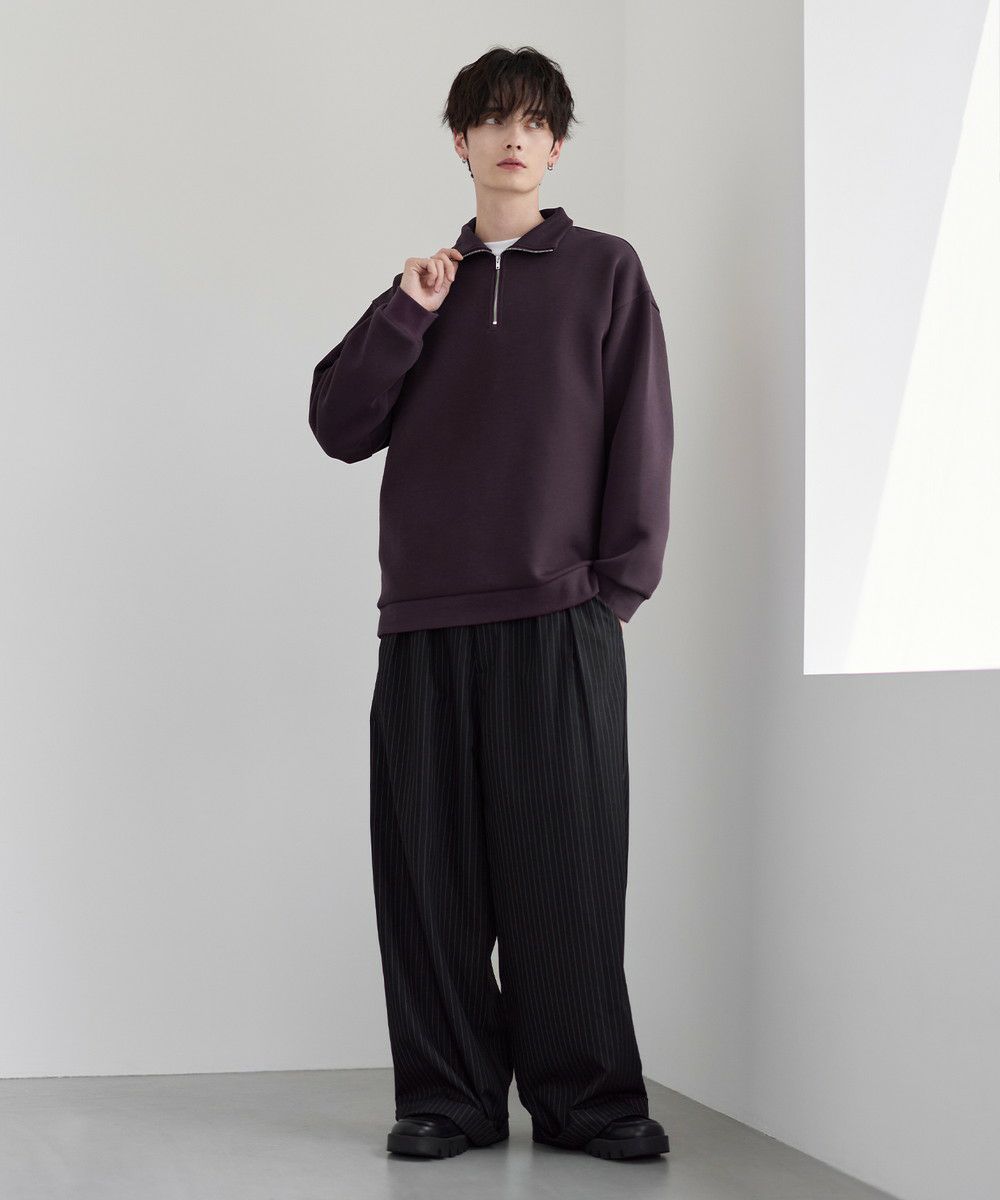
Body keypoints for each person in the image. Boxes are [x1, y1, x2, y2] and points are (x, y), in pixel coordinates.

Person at [308, 45, 674, 1162]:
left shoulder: (605, 269)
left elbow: (641, 429)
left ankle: (588, 1102)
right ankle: (450, 1100)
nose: (514, 138)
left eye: (534, 123)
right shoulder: (425, 286)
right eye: (493, 120)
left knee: (567, 872)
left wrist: (615, 589)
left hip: (560, 614)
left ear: (554, 147)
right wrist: (407, 311)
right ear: (461, 140)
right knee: (432, 884)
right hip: (425, 622)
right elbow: (337, 426)